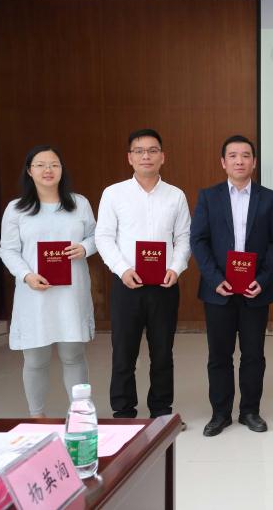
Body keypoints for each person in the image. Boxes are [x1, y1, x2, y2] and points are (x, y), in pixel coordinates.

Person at [191, 135, 273, 437]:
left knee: (253, 354)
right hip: (219, 290)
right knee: (219, 355)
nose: (239, 161)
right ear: (223, 162)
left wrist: (263, 279)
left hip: (255, 289)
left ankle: (250, 411)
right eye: (232, 156)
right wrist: (215, 279)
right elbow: (198, 240)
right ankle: (220, 414)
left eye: (245, 155)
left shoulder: (270, 198)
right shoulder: (209, 197)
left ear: (254, 162)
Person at [95, 129, 191, 421]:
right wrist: (122, 269)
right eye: (139, 151)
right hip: (127, 284)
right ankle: (123, 412)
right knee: (124, 352)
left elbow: (184, 237)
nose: (146, 156)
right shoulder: (114, 193)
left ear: (163, 156)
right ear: (130, 158)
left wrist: (176, 267)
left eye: (152, 150)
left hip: (164, 285)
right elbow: (103, 236)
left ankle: (161, 410)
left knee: (162, 352)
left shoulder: (175, 195)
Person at [0, 145, 96, 417]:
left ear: (62, 170)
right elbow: (8, 250)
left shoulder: (79, 203)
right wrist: (27, 275)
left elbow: (96, 236)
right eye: (40, 165)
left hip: (71, 292)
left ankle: (80, 414)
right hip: (34, 293)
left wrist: (84, 248)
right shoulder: (16, 209)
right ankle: (37, 416)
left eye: (54, 164)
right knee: (35, 359)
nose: (48, 170)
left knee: (73, 355)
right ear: (29, 171)